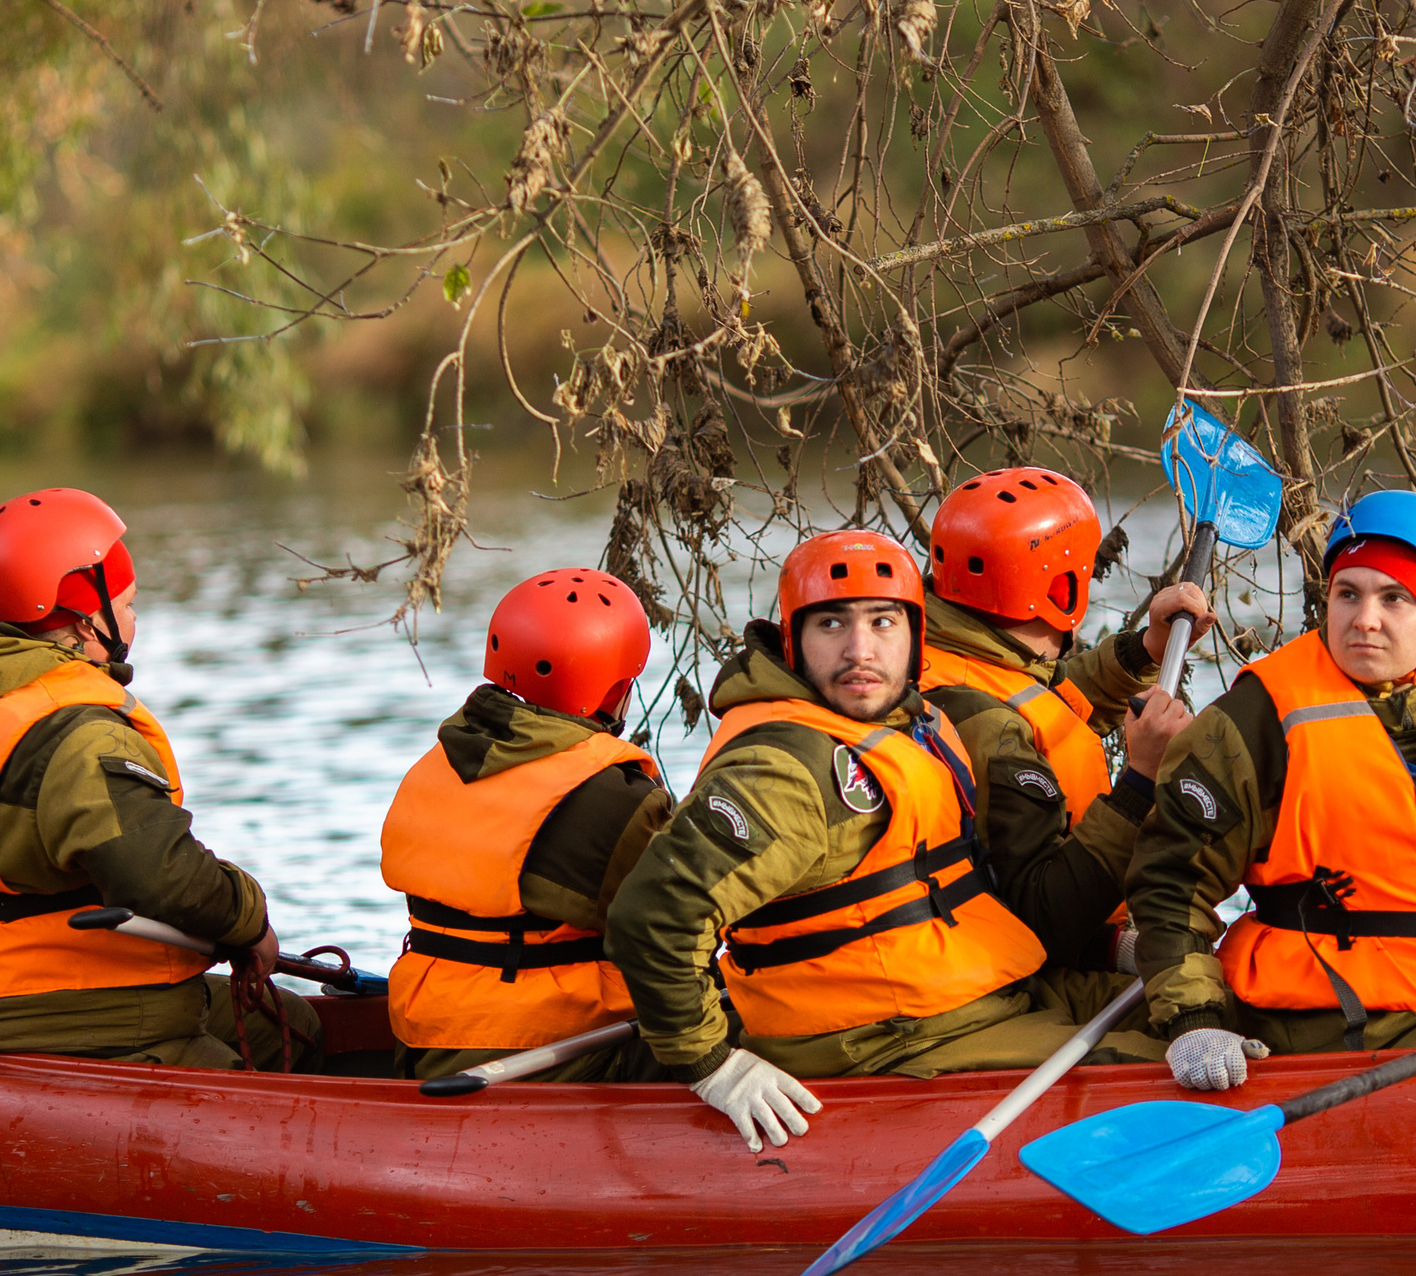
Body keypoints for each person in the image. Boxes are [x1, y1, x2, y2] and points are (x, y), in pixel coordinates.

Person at [607, 529, 1163, 1151]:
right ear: (792, 641)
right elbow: (651, 919)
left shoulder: (901, 715)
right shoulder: (787, 772)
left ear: (918, 637)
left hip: (976, 991)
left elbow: (1045, 696)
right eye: (830, 626)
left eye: (883, 622)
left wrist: (1138, 653)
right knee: (1167, 1068)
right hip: (884, 1035)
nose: (859, 651)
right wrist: (711, 1065)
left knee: (1211, 1004)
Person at [1126, 489, 1416, 1090]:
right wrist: (1194, 1018)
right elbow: (1172, 884)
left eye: (1394, 598)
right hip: (1328, 1016)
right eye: (1347, 593)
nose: (1364, 619)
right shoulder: (1256, 719)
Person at [0, 488, 315, 1067]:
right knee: (268, 1086)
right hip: (64, 1007)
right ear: (88, 623)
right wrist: (250, 921)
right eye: (129, 603)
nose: (135, 619)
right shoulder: (79, 737)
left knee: (297, 1024)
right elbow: (161, 878)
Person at [380, 568, 671, 1081]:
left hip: (423, 1034)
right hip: (550, 1049)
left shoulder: (440, 759)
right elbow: (682, 926)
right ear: (613, 690)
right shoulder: (616, 800)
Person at [919, 467, 1211, 969]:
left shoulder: (951, 648)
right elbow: (1046, 919)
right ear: (1061, 592)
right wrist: (1140, 783)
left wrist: (1146, 650)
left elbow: (1052, 700)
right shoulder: (987, 728)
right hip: (1032, 967)